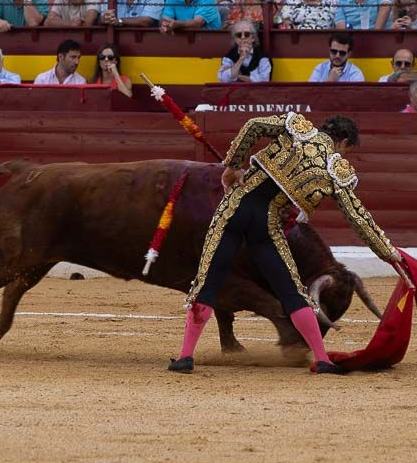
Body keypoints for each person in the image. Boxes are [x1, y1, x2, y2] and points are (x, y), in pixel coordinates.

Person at [170, 112, 403, 375]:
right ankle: (322, 359)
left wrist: (233, 165)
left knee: (208, 283)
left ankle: (185, 357)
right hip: (266, 226)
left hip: (234, 211)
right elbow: (358, 217)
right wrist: (388, 253)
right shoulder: (335, 169)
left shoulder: (296, 126)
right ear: (344, 142)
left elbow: (254, 125)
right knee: (292, 291)